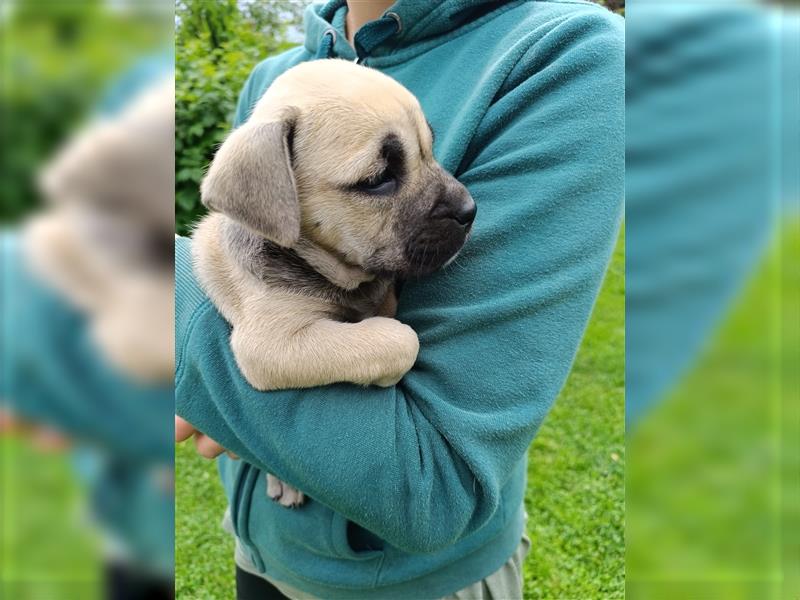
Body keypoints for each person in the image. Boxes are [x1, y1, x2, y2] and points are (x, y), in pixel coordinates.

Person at [175, 1, 624, 598]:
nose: (459, 201)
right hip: (260, 543)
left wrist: (225, 388)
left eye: (429, 154)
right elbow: (260, 346)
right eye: (379, 179)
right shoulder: (273, 83)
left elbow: (433, 486)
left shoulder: (564, 56)